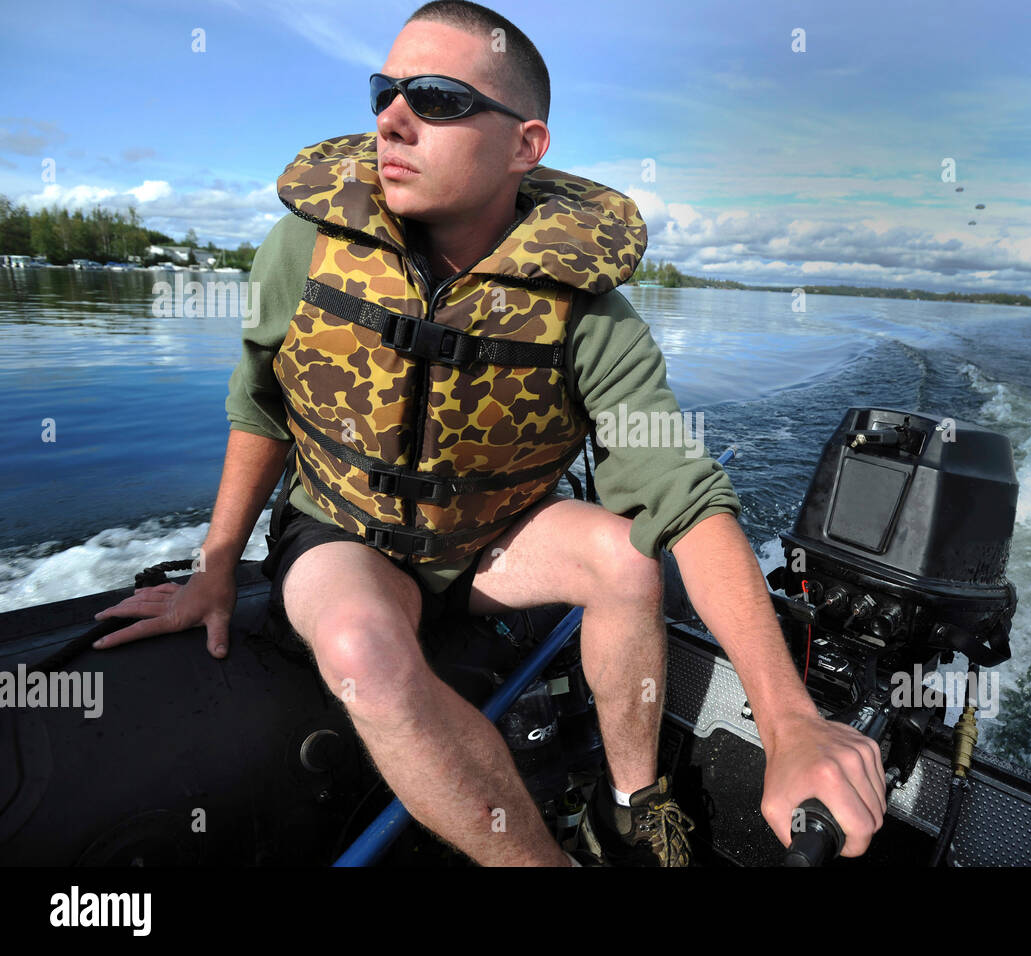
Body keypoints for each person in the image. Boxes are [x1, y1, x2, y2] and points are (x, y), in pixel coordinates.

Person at [93, 0, 886, 867]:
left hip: (486, 545)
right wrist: (215, 567)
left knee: (628, 557)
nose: (392, 118)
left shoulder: (583, 310)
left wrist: (790, 720)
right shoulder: (306, 251)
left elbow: (683, 497)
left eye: (435, 98)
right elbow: (261, 410)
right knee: (362, 645)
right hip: (342, 535)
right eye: (383, 90)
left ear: (524, 144)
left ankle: (629, 806)